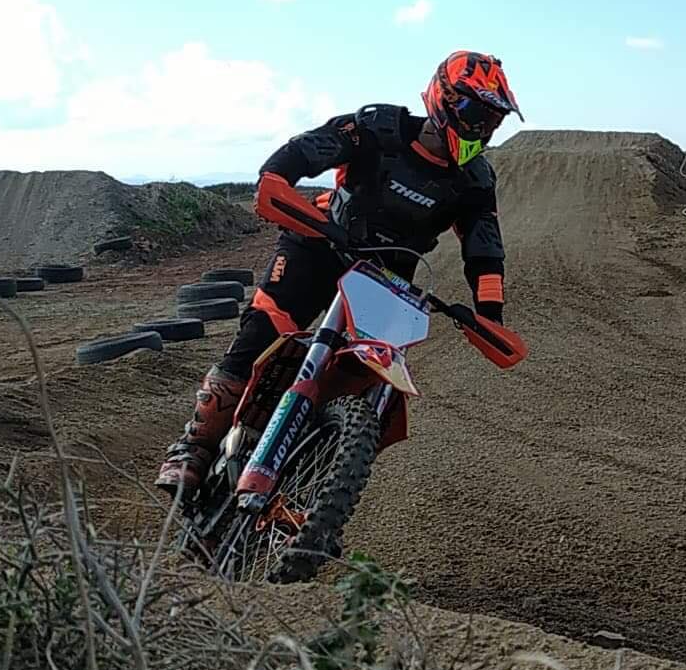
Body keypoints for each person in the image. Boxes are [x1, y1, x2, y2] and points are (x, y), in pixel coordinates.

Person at [155, 50, 521, 496]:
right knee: (262, 332)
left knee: (370, 382)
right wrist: (278, 179)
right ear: (444, 99)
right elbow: (303, 152)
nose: (483, 127)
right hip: (321, 243)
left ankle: (316, 485)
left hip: (388, 280)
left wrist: (489, 315)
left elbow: (485, 249)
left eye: (493, 119)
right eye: (476, 113)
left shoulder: (475, 179)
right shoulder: (377, 128)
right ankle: (192, 448)